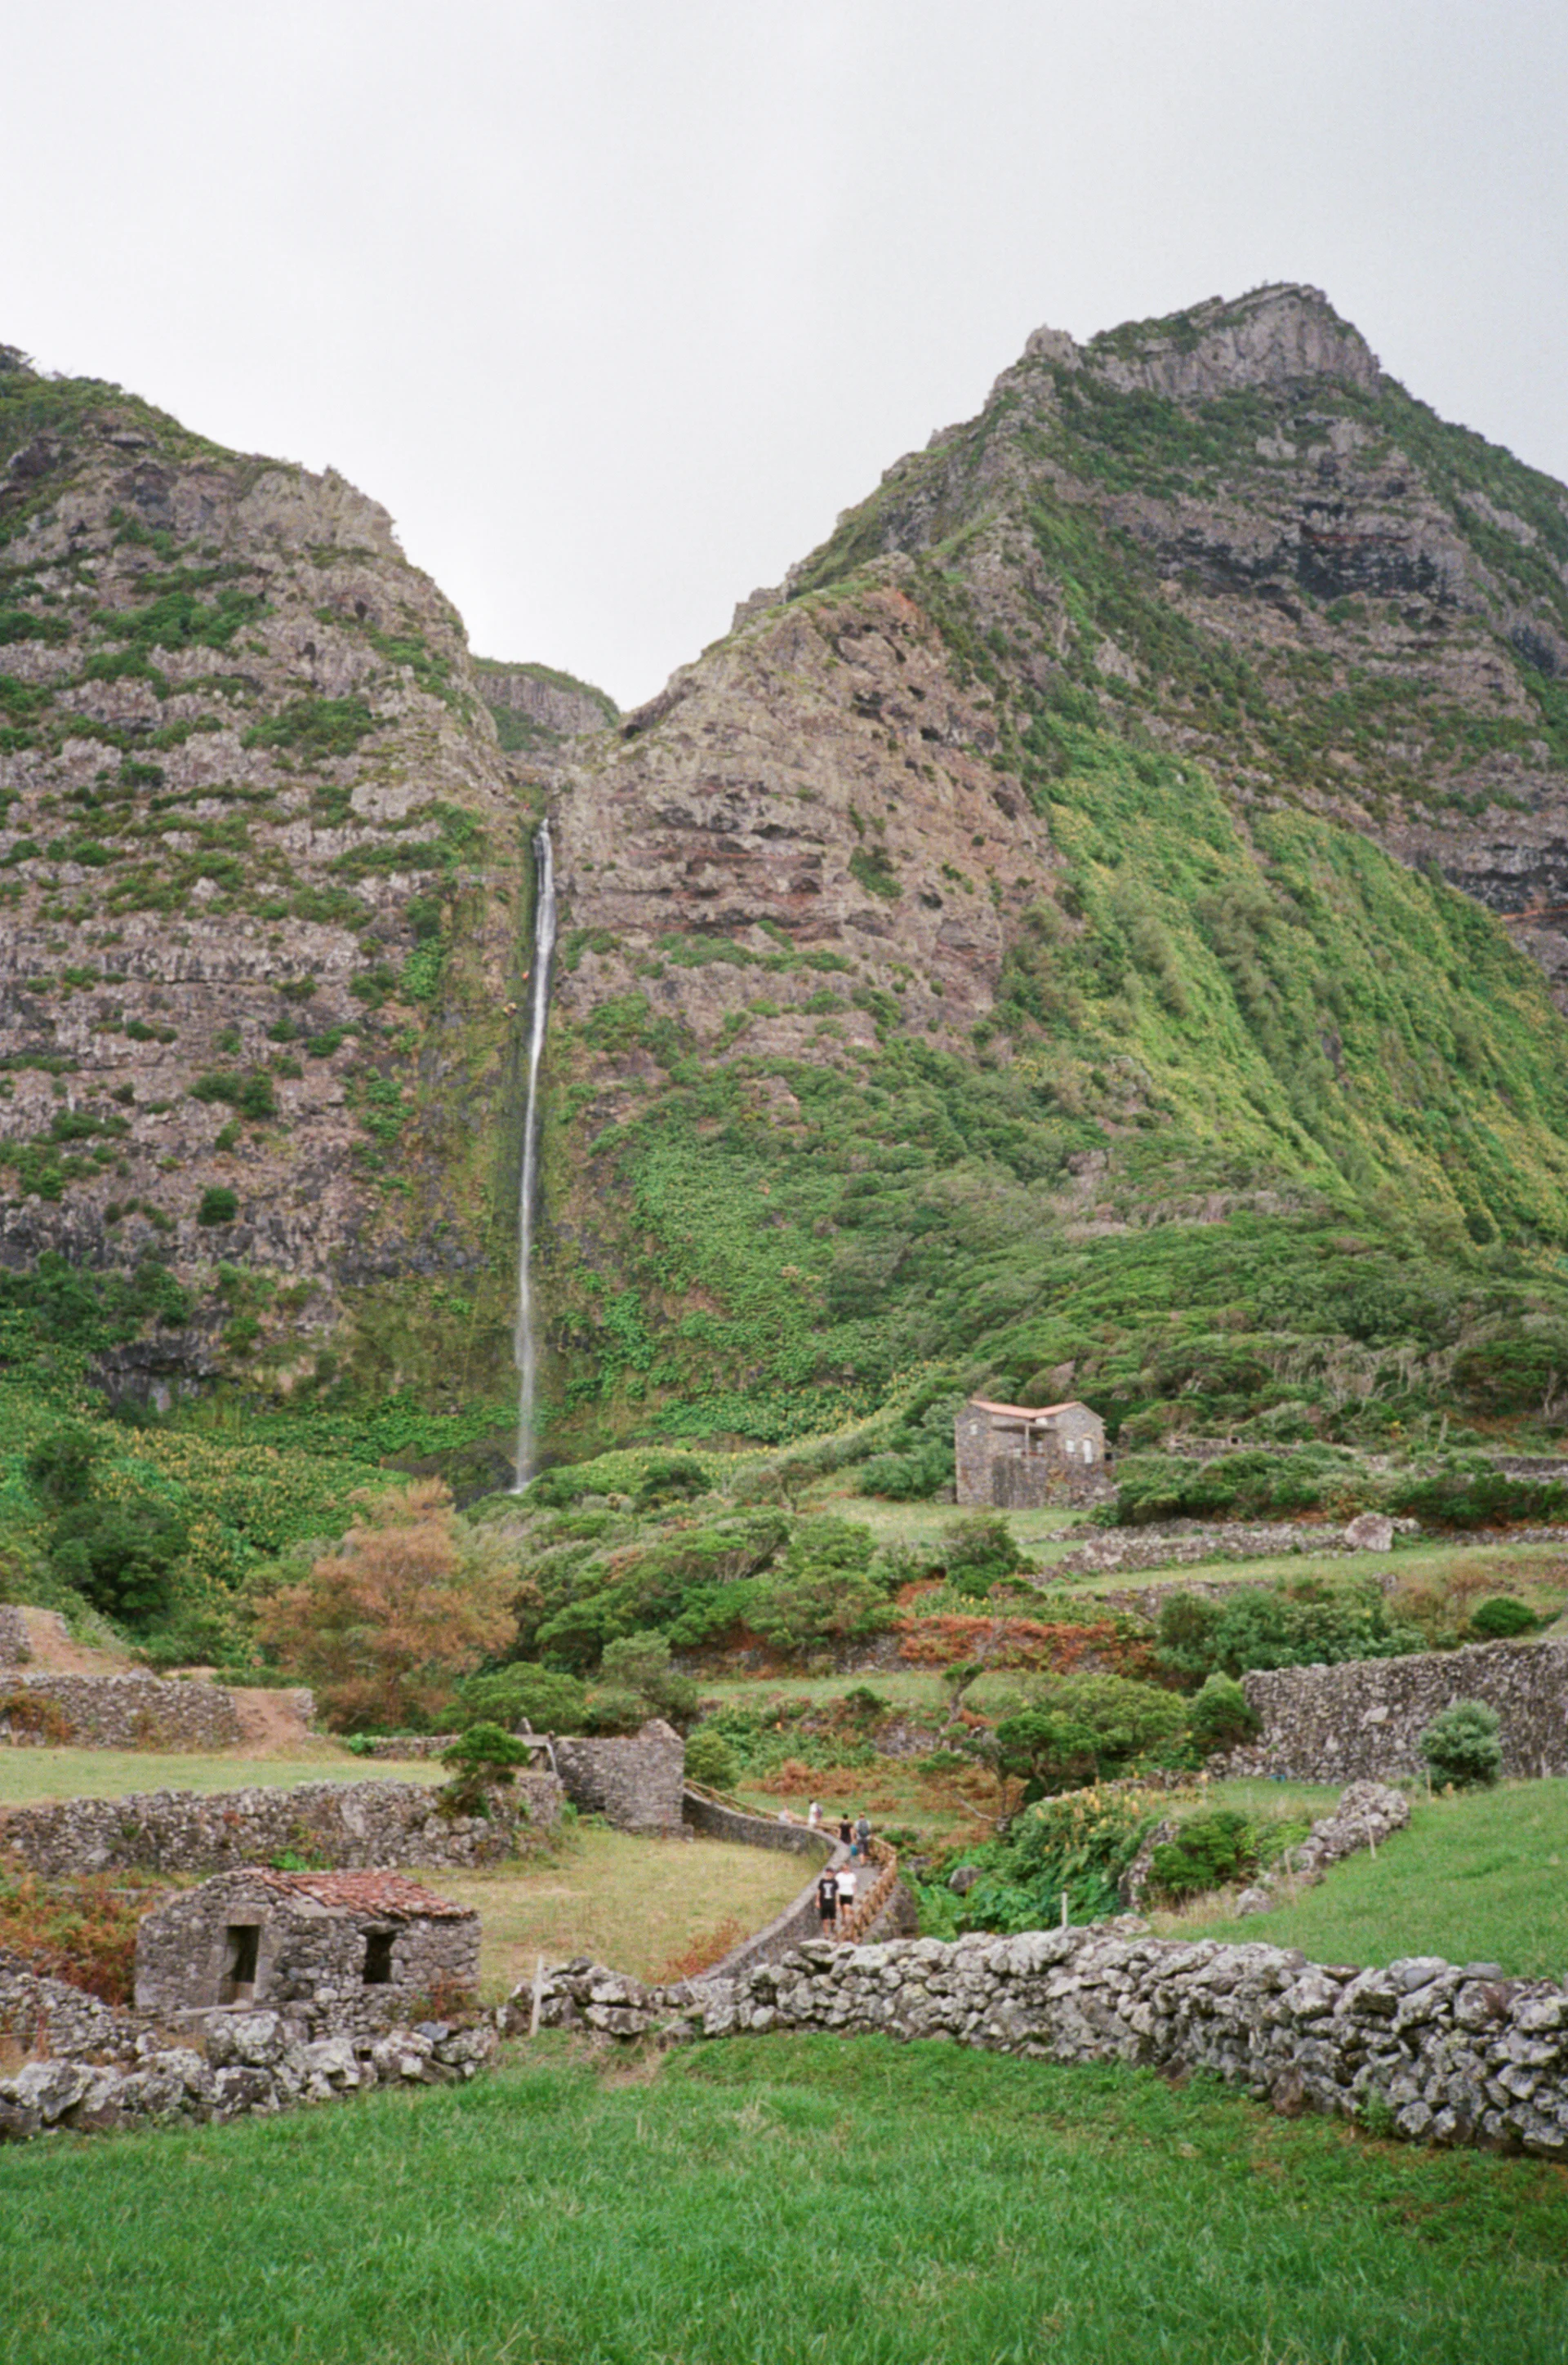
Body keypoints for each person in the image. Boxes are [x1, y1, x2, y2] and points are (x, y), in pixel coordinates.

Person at [816, 1867, 839, 1932]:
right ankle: (826, 1935)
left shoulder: (834, 1882)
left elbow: (837, 1893)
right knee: (825, 1920)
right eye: (827, 1872)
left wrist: (837, 1903)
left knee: (833, 1920)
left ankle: (833, 1926)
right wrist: (817, 1901)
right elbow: (819, 1891)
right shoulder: (822, 1881)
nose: (829, 1874)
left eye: (830, 1872)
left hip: (832, 1901)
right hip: (824, 1901)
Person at [836, 1863, 857, 1928]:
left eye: (847, 1868)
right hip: (841, 1894)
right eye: (844, 1869)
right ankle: (847, 1920)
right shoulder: (839, 1876)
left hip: (849, 1894)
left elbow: (854, 1886)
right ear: (842, 1869)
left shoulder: (852, 1876)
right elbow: (836, 1886)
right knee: (843, 1911)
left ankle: (847, 1925)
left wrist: (854, 1894)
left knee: (846, 1908)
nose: (846, 1870)